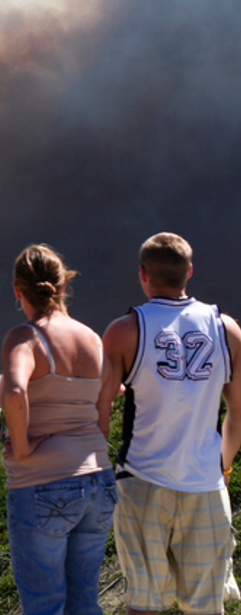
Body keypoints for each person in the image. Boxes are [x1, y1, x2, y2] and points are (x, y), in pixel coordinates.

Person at [98, 233, 241, 615]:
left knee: (143, 604)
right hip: (205, 487)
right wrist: (222, 466)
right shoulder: (227, 330)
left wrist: (96, 474)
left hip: (142, 481)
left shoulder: (124, 330)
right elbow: (238, 413)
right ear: (189, 272)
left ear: (143, 275)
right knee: (207, 608)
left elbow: (100, 413)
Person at [0, 245, 115, 615]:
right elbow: (105, 407)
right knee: (84, 602)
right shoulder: (94, 340)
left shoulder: (24, 337)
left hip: (42, 484)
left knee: (44, 606)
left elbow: (16, 393)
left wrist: (21, 449)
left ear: (18, 290)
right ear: (63, 285)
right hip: (99, 480)